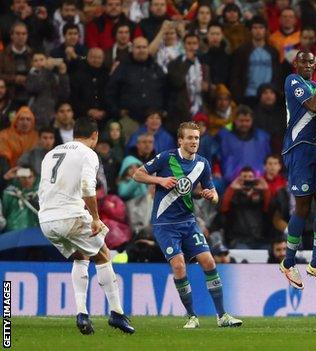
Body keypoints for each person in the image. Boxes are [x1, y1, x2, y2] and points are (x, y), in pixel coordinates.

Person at [132, 121, 242, 328]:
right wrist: (160, 181)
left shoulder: (202, 164)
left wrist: (211, 195)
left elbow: (213, 194)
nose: (194, 141)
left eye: (197, 138)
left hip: (188, 222)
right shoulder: (166, 158)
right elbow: (137, 174)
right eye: (190, 138)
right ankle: (192, 316)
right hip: (165, 223)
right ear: (180, 140)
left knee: (209, 262)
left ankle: (222, 316)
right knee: (179, 265)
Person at [37, 118, 134, 335]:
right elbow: (87, 187)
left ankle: (82, 314)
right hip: (70, 216)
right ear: (95, 136)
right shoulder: (88, 153)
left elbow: (41, 189)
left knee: (81, 256)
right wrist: (96, 218)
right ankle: (117, 314)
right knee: (103, 254)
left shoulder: (50, 154)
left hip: (46, 220)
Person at [278, 51, 316, 289]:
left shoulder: (315, 85)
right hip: (298, 148)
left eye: (311, 62)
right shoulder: (292, 81)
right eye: (304, 61)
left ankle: (315, 263)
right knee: (303, 207)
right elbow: (314, 107)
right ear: (296, 64)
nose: (308, 65)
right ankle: (289, 262)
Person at [2, 166, 38, 232]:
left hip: (35, 232)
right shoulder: (8, 194)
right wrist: (5, 178)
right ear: (18, 178)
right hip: (12, 232)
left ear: (35, 178)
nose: (27, 180)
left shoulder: (39, 194)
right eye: (23, 177)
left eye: (30, 177)